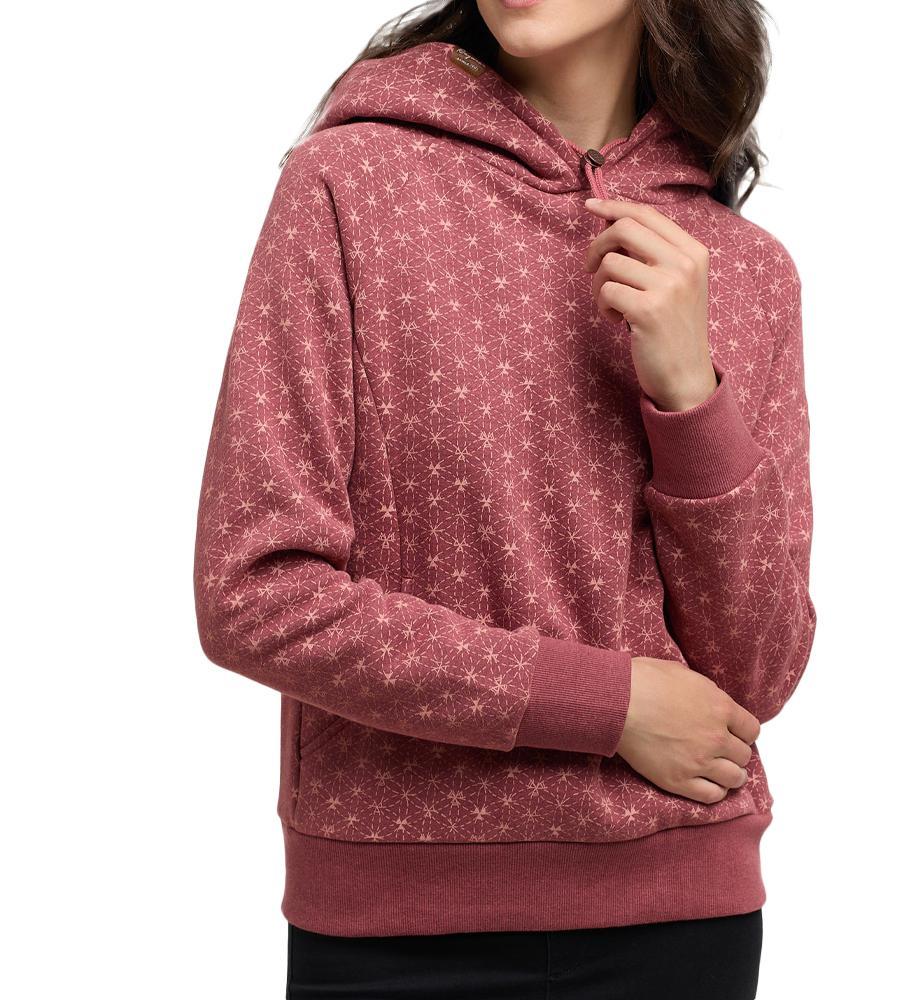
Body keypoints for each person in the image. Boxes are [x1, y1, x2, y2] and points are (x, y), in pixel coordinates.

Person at [192, 1, 817, 997]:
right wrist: (607, 704)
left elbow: (755, 675)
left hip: (679, 923)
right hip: (396, 923)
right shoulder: (349, 186)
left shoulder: (741, 267)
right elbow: (255, 593)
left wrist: (688, 394)